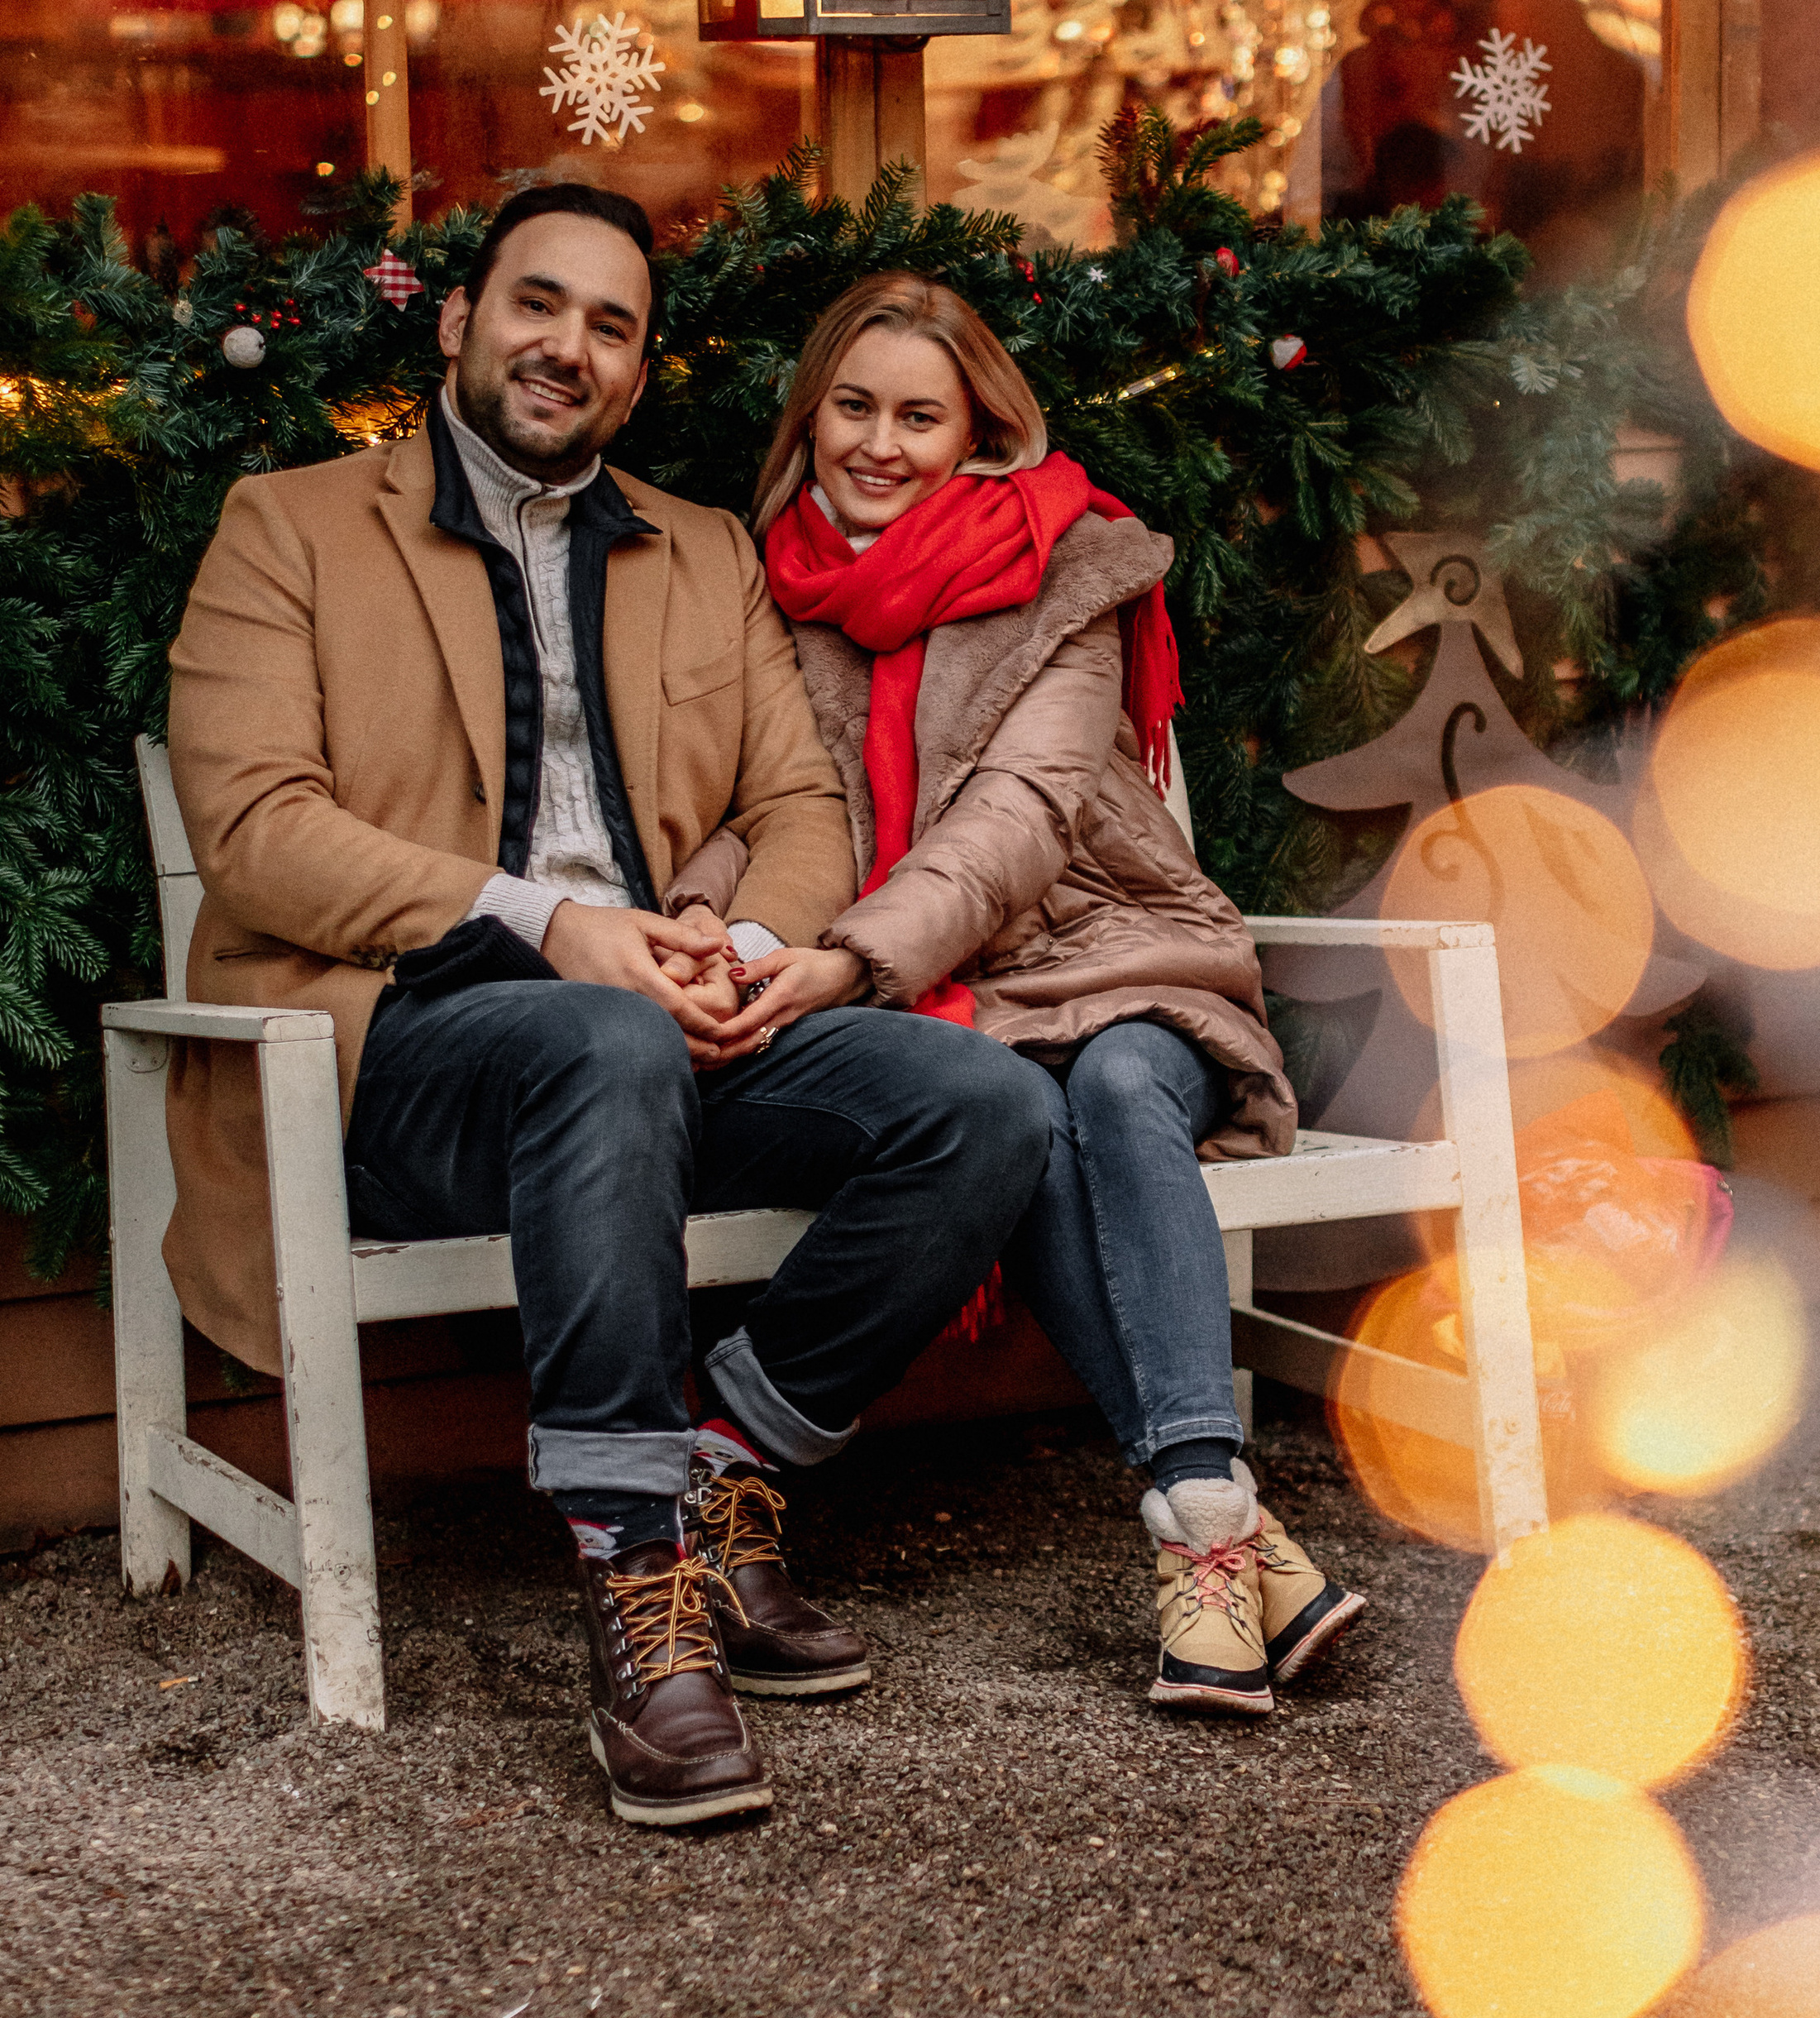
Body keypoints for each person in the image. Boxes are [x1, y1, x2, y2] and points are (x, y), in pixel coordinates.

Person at [163, 187, 1053, 1829]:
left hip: (658, 1031)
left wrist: (733, 939)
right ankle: (633, 1578)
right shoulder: (287, 527)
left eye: (608, 325)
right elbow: (261, 829)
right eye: (536, 305)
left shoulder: (698, 550)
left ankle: (720, 1475)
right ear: (460, 322)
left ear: (639, 369)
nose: (565, 346)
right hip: (394, 1054)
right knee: (600, 1030)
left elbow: (798, 799)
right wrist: (557, 926)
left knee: (984, 1105)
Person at [747, 270, 1368, 1718]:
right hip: (960, 995)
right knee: (1016, 1108)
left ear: (978, 431)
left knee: (1100, 1082)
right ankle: (1226, 1540)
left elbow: (1016, 822)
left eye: (920, 415)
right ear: (812, 415)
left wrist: (848, 962)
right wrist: (719, 929)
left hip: (1122, 955)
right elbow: (762, 804)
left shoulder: (1068, 569)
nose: (881, 445)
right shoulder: (770, 589)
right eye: (854, 408)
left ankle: (1200, 1529)